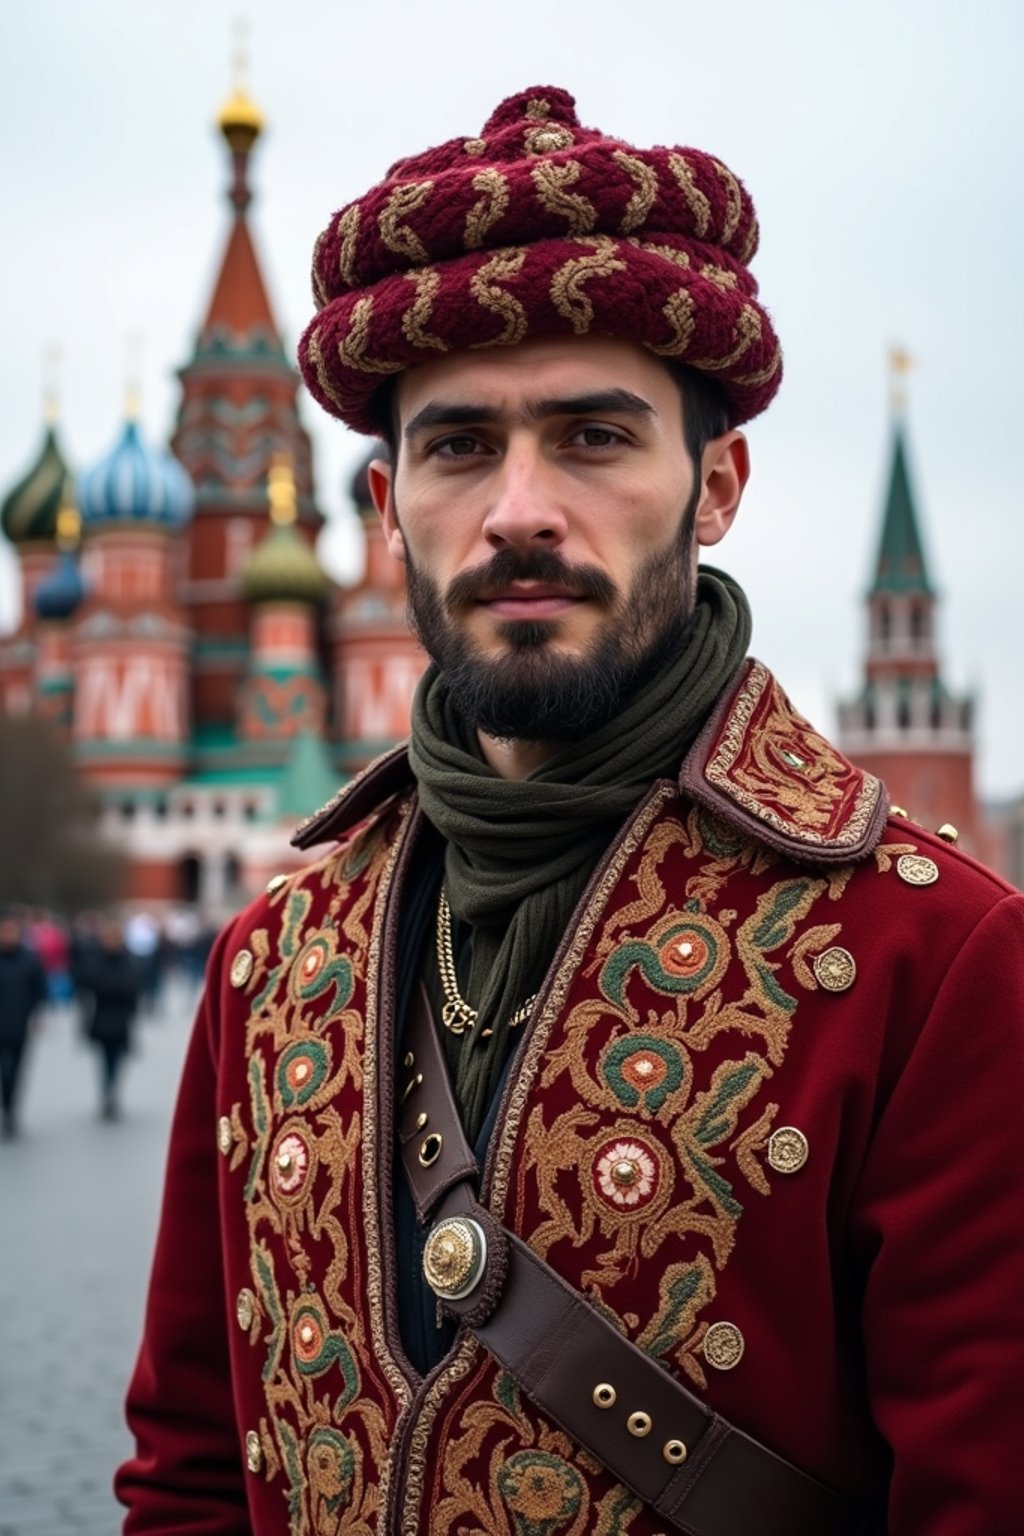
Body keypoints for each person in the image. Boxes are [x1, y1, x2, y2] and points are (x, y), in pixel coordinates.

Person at [116, 87, 1024, 1535]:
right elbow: (191, 1474)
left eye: (594, 438)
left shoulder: (938, 963)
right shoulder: (272, 963)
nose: (520, 509)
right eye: (460, 445)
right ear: (387, 498)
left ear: (715, 484)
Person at [78, 915, 142, 1120]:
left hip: (121, 1019)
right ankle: (108, 1091)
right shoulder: (96, 960)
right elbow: (90, 984)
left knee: (117, 1059)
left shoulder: (128, 961)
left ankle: (112, 1090)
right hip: (103, 1017)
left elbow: (132, 989)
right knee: (105, 1059)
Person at [0, 910, 47, 1139]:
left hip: (19, 1023)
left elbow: (39, 989)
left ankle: (10, 1110)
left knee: (15, 1071)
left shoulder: (29, 958)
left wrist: (37, 1014)